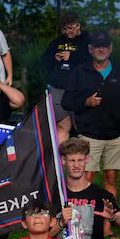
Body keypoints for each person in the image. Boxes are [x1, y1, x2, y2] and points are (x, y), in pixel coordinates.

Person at [61, 31, 120, 239]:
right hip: (89, 135)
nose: (101, 49)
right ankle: (82, 228)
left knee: (111, 179)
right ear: (90, 49)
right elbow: (67, 101)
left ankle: (106, 227)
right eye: (97, 46)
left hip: (116, 135)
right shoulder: (80, 72)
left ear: (111, 48)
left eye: (104, 46)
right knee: (86, 179)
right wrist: (85, 103)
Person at [39, 12, 91, 142]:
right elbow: (44, 60)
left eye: (71, 28)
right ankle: (60, 160)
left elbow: (93, 61)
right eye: (65, 28)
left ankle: (85, 159)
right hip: (58, 89)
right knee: (62, 125)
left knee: (80, 125)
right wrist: (54, 58)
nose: (68, 31)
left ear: (78, 26)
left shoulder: (88, 40)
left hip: (79, 90)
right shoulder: (58, 41)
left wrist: (72, 56)